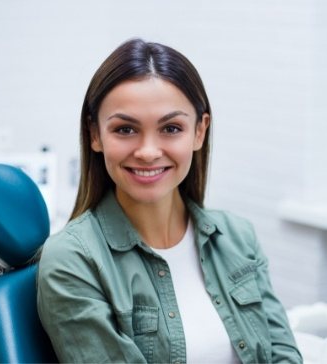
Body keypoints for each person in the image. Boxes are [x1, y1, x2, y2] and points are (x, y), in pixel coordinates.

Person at [37, 38, 302, 364]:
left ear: (199, 131)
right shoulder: (72, 260)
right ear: (95, 134)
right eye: (125, 129)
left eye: (171, 127)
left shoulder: (238, 236)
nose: (148, 151)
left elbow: (284, 355)